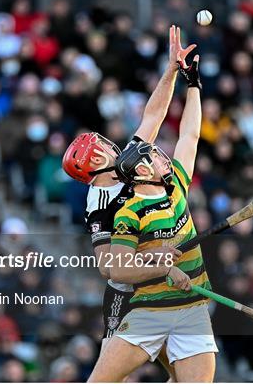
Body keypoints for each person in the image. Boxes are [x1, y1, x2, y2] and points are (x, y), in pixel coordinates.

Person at [62, 26, 196, 382]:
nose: (109, 144)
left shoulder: (128, 164)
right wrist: (156, 262)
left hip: (163, 286)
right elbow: (109, 268)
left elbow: (152, 116)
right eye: (100, 147)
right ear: (93, 164)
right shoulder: (100, 202)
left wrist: (172, 71)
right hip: (131, 297)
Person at [93, 52, 217, 382]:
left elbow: (190, 136)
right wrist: (164, 266)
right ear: (144, 170)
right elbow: (118, 267)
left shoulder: (176, 183)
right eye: (156, 155)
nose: (164, 155)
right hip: (150, 312)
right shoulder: (128, 213)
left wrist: (193, 84)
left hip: (192, 310)